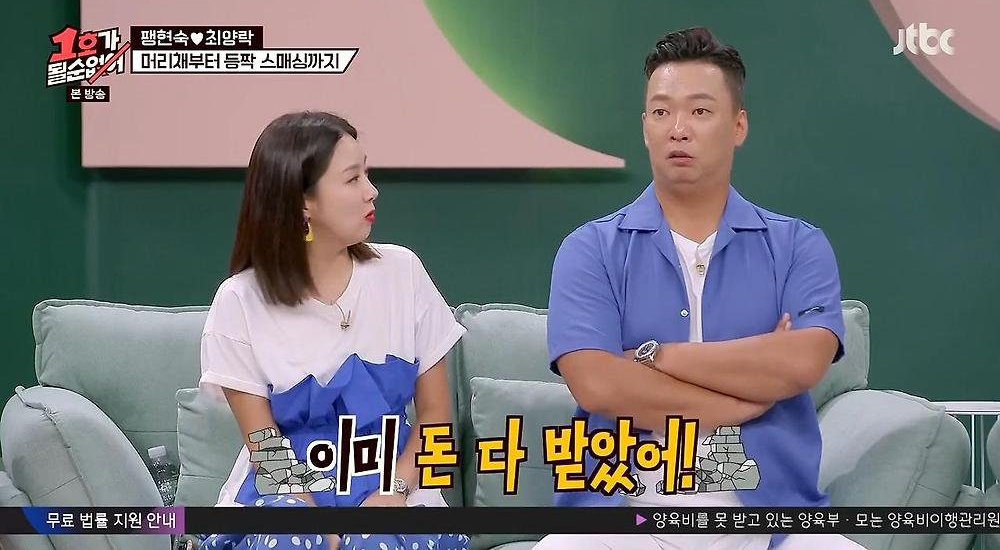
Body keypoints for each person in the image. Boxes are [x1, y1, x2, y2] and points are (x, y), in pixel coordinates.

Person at [534, 28, 866, 550]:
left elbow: (802, 364)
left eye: (700, 111)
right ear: (645, 127)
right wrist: (747, 398)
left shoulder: (798, 245)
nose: (678, 129)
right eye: (661, 112)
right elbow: (598, 387)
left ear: (738, 126)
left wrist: (652, 356)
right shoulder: (590, 248)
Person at [198, 111, 470, 550]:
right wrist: (317, 526)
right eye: (352, 178)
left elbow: (436, 418)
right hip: (287, 494)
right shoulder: (239, 301)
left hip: (394, 487)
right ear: (302, 203)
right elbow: (265, 446)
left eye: (367, 173)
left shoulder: (403, 273)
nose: (371, 190)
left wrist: (394, 490)